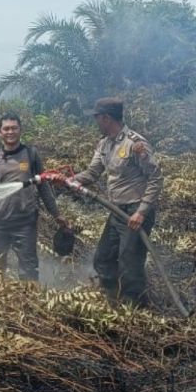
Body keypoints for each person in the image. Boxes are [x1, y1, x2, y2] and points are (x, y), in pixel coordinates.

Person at [71, 97, 163, 306]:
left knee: (130, 265)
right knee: (102, 259)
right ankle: (113, 301)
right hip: (116, 210)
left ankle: (138, 311)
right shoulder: (104, 144)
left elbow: (156, 178)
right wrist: (70, 180)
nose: (95, 122)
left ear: (106, 118)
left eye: (97, 118)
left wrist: (141, 212)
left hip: (135, 211)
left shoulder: (135, 143)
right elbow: (93, 172)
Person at [0, 113, 68, 282]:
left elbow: (43, 185)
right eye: (6, 128)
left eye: (14, 128)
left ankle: (28, 301)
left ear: (20, 130)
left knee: (28, 268)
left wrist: (56, 214)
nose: (10, 132)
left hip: (25, 223)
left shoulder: (31, 154)